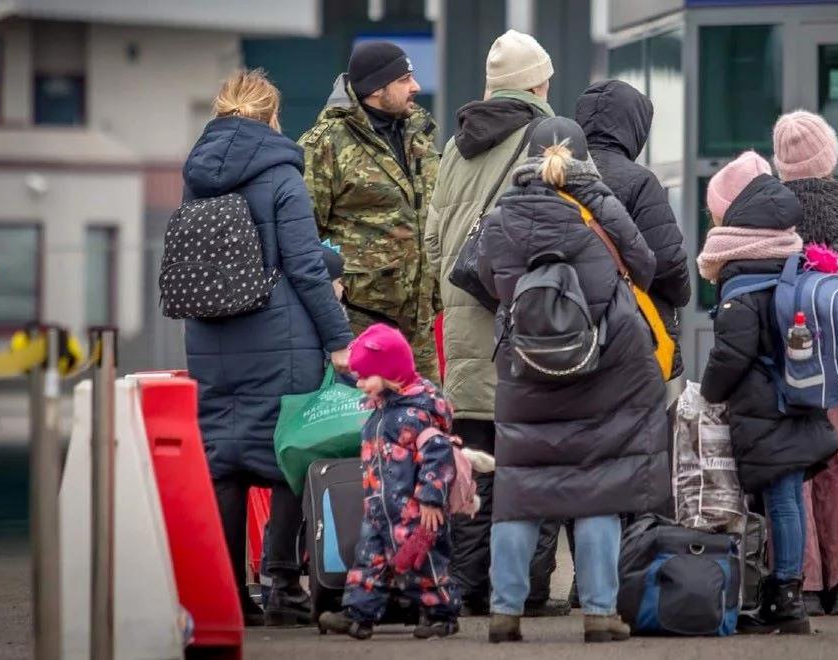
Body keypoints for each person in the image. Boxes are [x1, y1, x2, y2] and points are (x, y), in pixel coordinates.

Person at [477, 117, 667, 644]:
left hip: (525, 367)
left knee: (518, 490)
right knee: (597, 488)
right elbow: (645, 267)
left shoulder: (501, 215)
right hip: (600, 367)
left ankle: (504, 612)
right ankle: (601, 614)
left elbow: (490, 281)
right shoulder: (600, 206)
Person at [181, 70, 353, 626]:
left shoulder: (197, 176)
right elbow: (302, 265)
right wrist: (339, 341)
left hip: (210, 332)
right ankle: (283, 584)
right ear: (270, 115)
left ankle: (231, 593)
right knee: (288, 450)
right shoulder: (282, 175)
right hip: (279, 333)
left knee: (225, 461)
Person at [423, 29, 571, 618]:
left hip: (464, 332)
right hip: (525, 329)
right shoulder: (548, 138)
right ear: (538, 82)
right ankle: (529, 589)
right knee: (532, 464)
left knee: (474, 463)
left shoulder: (456, 148)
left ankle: (467, 588)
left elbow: (434, 246)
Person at [698, 151, 838, 635]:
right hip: (796, 394)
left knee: (781, 500)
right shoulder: (788, 260)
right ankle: (786, 594)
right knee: (790, 498)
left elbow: (732, 352)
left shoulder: (744, 278)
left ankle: (786, 600)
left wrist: (707, 392)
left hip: (766, 406)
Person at [771, 110, 838, 616]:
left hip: (785, 364)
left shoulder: (768, 216)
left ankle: (803, 580)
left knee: (796, 465)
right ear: (828, 159)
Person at [300, 41, 441, 381]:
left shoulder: (418, 134)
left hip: (421, 325)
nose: (416, 88)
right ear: (378, 89)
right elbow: (302, 236)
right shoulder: (326, 145)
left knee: (427, 423)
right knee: (368, 429)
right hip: (363, 327)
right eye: (405, 79)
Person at [318, 324, 461, 640]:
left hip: (415, 511)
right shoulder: (380, 412)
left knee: (426, 565)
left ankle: (441, 613)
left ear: (389, 373)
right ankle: (359, 614)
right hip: (379, 510)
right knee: (368, 562)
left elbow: (439, 457)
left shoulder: (417, 413)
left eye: (365, 376)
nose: (359, 383)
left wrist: (430, 498)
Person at [575, 80, 691, 384]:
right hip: (630, 339)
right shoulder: (639, 181)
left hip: (566, 335)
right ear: (634, 126)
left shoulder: (557, 175)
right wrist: (681, 294)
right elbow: (667, 259)